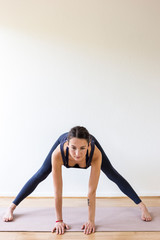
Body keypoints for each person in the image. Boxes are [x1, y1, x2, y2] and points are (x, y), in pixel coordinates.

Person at [3, 126, 152, 235]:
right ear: (67, 144)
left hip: (92, 151)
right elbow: (57, 190)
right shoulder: (58, 154)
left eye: (82, 148)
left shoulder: (95, 154)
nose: (77, 153)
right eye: (73, 148)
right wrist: (59, 220)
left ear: (88, 145)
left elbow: (91, 191)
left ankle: (142, 205)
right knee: (41, 174)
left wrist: (91, 220)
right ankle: (11, 207)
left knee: (112, 174)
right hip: (63, 150)